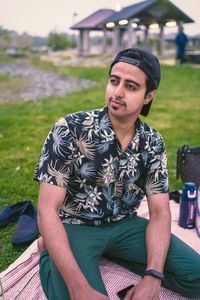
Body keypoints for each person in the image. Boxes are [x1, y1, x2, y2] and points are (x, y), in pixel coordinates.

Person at [34, 48, 200, 300]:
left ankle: (116, 256)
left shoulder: (153, 142)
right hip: (76, 226)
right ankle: (48, 254)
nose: (117, 92)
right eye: (114, 81)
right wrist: (78, 288)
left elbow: (160, 212)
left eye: (131, 86)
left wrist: (153, 277)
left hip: (125, 227)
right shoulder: (70, 129)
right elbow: (46, 209)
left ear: (148, 96)